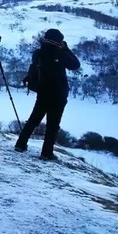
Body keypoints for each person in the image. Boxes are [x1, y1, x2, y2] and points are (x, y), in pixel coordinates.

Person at [15, 29, 81, 160]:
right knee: (53, 124)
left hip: (43, 91)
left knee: (33, 120)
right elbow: (75, 65)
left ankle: (20, 144)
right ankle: (46, 153)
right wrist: (66, 49)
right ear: (58, 41)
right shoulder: (60, 54)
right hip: (58, 94)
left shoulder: (38, 53)